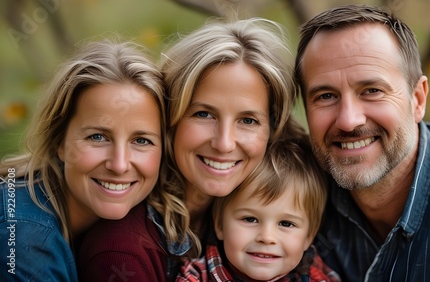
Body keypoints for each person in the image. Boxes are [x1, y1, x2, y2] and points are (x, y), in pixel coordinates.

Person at [77, 17, 297, 281]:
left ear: (272, 130)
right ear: (171, 117)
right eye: (204, 114)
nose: (224, 143)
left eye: (248, 121)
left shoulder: (275, 223)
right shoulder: (123, 252)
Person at [294, 4, 430, 281]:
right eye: (325, 96)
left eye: (372, 91)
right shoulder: (293, 190)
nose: (348, 120)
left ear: (418, 99)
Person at [0, 39, 166, 281]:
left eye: (141, 141)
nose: (119, 165)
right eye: (98, 137)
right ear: (60, 141)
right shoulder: (26, 243)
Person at [176, 125, 341, 282]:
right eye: (250, 219)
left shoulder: (316, 276)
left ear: (308, 236)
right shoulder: (196, 277)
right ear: (219, 223)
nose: (267, 237)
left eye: (286, 223)